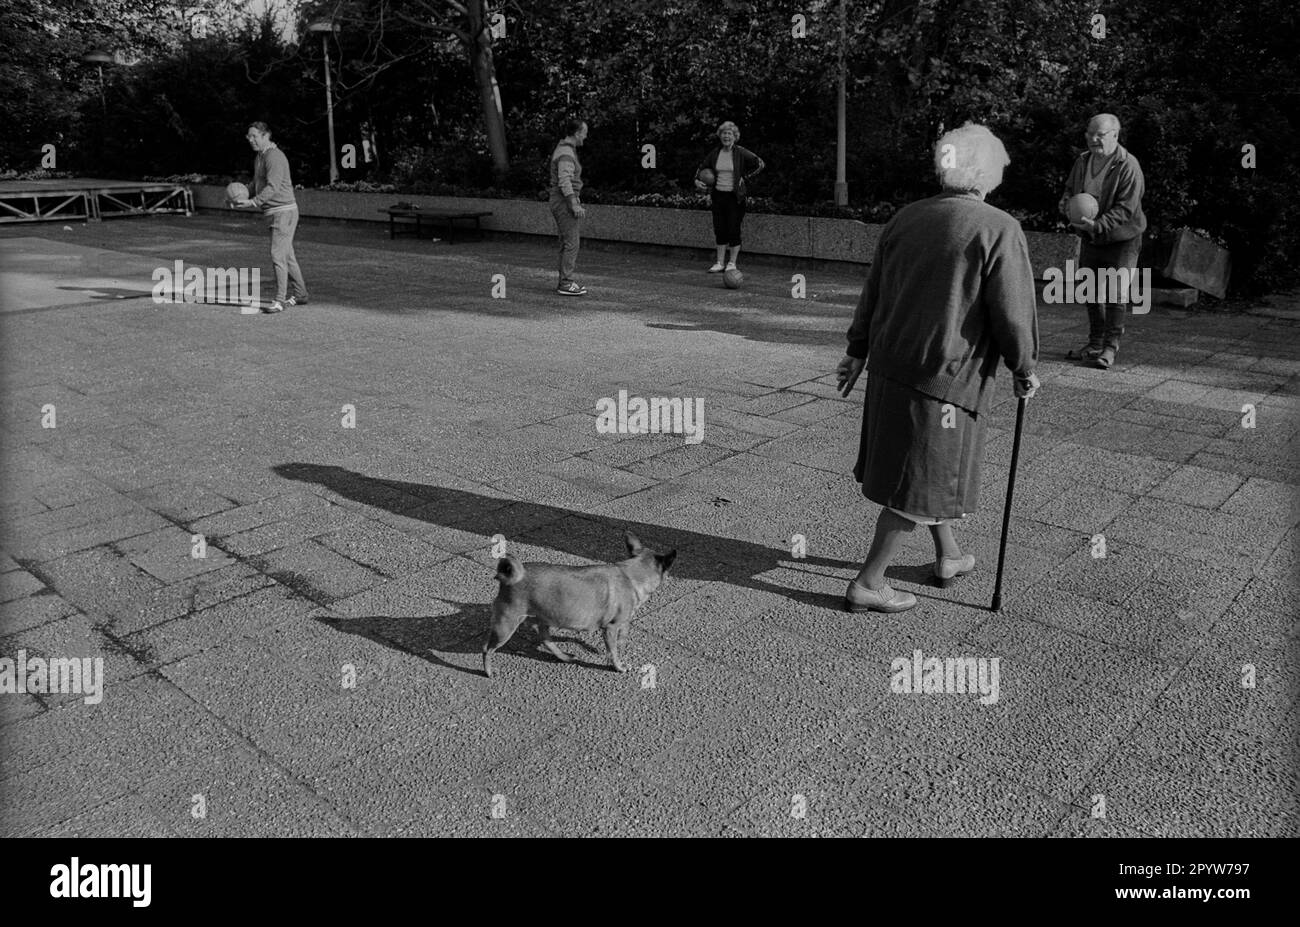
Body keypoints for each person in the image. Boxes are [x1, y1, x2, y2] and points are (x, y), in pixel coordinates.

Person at [835, 123, 1041, 614]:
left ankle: (948, 555)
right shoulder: (998, 228)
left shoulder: (906, 218)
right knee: (920, 480)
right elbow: (1012, 310)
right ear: (987, 173)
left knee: (927, 470)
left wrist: (856, 350)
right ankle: (869, 582)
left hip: (892, 365)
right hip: (946, 377)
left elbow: (874, 291)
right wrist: (1024, 365)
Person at [1059, 113, 1146, 369]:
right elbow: (1070, 189)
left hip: (1122, 239)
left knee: (1116, 294)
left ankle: (1110, 348)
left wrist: (1098, 225)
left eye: (1100, 135)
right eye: (1090, 134)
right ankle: (1094, 343)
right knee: (1091, 290)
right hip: (1091, 236)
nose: (1093, 139)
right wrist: (1066, 202)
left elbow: (1126, 209)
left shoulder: (1128, 165)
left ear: (1115, 135)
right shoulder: (1083, 161)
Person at [234, 122, 308, 314]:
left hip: (283, 212)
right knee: (287, 256)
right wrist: (239, 196)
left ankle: (279, 300)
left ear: (265, 135)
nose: (250, 140)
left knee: (278, 256)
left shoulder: (274, 156)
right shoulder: (260, 156)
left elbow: (273, 187)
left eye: (253, 136)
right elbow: (257, 183)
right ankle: (300, 295)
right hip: (277, 213)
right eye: (248, 136)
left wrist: (253, 202)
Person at [694, 121, 765, 272]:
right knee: (719, 229)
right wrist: (697, 181)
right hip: (718, 196)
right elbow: (702, 167)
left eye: (729, 134)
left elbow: (760, 164)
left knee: (733, 229)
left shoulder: (740, 152)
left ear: (735, 136)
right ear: (720, 136)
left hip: (735, 198)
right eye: (724, 133)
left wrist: (744, 177)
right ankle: (719, 262)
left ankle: (732, 263)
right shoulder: (715, 153)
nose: (726, 136)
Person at [549, 118, 588, 296]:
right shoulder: (565, 152)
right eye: (584, 133)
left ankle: (564, 281)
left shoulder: (564, 149)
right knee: (572, 243)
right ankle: (566, 283)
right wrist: (573, 203)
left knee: (566, 243)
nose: (585, 137)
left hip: (560, 200)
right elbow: (565, 181)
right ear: (577, 133)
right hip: (563, 201)